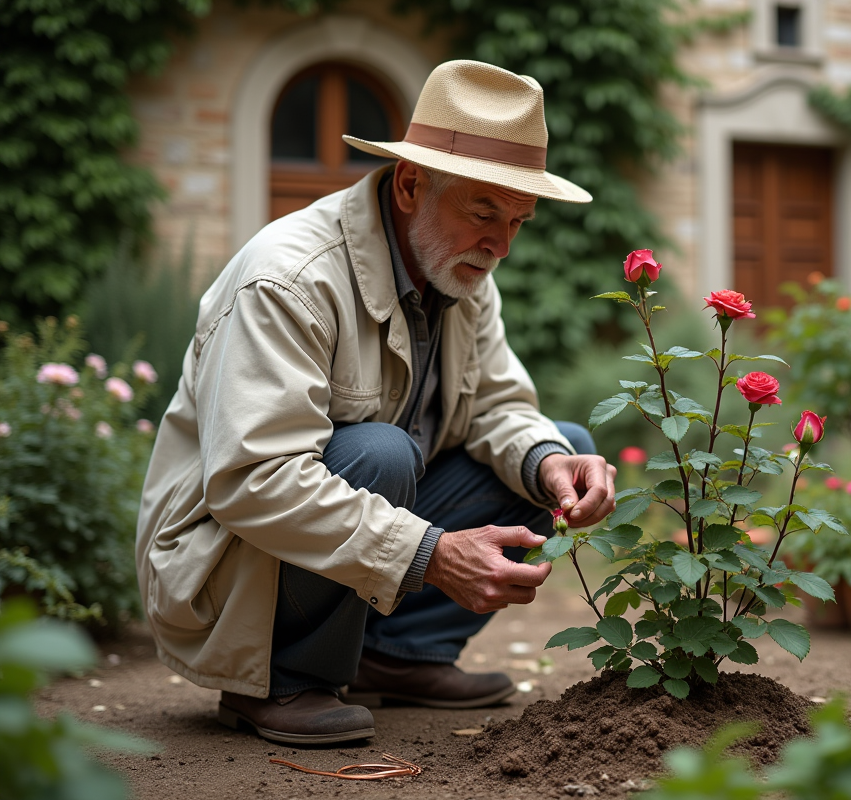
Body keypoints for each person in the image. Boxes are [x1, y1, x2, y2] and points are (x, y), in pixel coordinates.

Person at [135, 60, 616, 745]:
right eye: (484, 212)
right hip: (224, 574)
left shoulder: (463, 273)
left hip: (340, 540)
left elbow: (498, 408)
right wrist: (431, 554)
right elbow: (252, 480)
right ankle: (283, 679)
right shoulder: (289, 278)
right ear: (413, 183)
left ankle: (392, 657)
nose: (501, 245)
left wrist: (547, 462)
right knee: (380, 451)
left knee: (561, 444)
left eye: (518, 221)